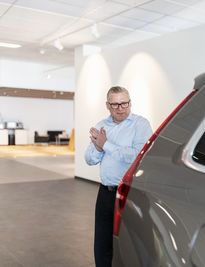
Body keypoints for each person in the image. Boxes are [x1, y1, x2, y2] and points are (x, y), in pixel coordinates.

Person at [85, 86, 153, 267]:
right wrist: (98, 148)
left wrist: (106, 145)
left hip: (132, 193)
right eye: (115, 104)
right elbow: (89, 159)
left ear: (130, 102)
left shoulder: (141, 124)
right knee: (102, 243)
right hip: (106, 193)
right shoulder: (101, 125)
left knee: (135, 243)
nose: (120, 108)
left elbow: (138, 155)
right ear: (108, 105)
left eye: (124, 103)